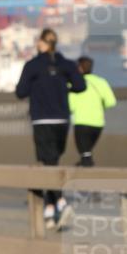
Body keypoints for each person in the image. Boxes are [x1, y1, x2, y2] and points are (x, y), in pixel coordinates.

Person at [15, 27, 85, 229]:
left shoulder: (33, 65)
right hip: (62, 119)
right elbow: (80, 86)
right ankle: (50, 207)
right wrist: (62, 87)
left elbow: (21, 92)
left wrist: (38, 88)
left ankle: (61, 203)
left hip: (41, 119)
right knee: (53, 159)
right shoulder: (68, 65)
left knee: (48, 161)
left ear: (42, 43)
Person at [69, 56, 117, 168]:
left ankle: (85, 174)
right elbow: (111, 102)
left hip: (81, 122)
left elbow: (69, 104)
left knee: (85, 154)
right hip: (98, 123)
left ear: (79, 68)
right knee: (86, 152)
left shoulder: (74, 84)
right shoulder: (101, 82)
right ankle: (84, 168)